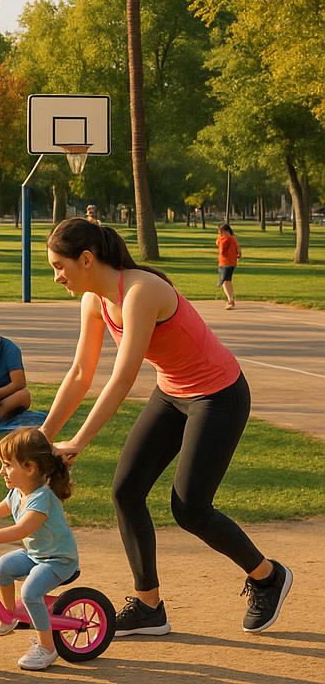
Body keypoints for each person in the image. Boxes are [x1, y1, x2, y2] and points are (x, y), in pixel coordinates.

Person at [42, 217, 292, 637]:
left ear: (86, 259)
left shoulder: (140, 291)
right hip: (173, 392)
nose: (56, 277)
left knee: (190, 509)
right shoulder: (94, 300)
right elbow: (81, 372)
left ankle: (268, 576)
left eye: (59, 266)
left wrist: (80, 440)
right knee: (126, 491)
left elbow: (122, 377)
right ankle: (148, 606)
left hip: (219, 395)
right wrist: (44, 435)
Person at [0, 428, 79, 671]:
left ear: (30, 468)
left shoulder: (42, 498)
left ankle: (47, 647)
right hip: (36, 555)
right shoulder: (18, 493)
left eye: (7, 465)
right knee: (1, 567)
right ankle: (9, 614)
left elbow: (21, 530)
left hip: (58, 561)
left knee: (31, 592)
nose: (2, 471)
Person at [217, 223, 242, 309]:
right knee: (227, 281)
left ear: (223, 231)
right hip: (232, 262)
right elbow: (239, 250)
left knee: (225, 281)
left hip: (225, 262)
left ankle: (230, 300)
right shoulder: (233, 238)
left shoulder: (225, 239)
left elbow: (221, 249)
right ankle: (230, 299)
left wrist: (219, 241)